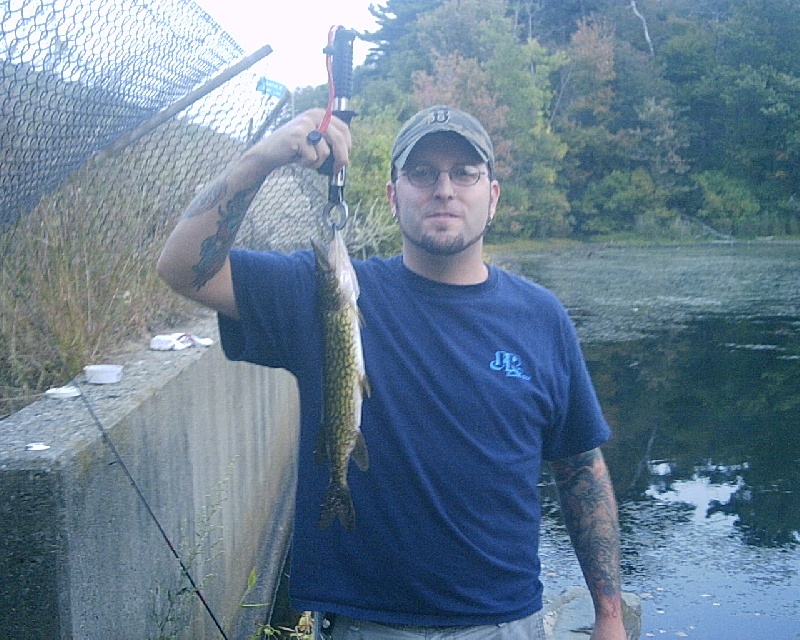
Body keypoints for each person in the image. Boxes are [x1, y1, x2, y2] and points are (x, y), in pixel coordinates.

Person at [158, 105, 627, 640]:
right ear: (392, 196)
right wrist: (263, 158)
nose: (444, 189)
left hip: (503, 621)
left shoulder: (542, 317)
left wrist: (608, 614)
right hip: (366, 624)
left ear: (492, 197)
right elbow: (184, 269)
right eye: (422, 173)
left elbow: (580, 467)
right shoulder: (322, 297)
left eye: (465, 173)